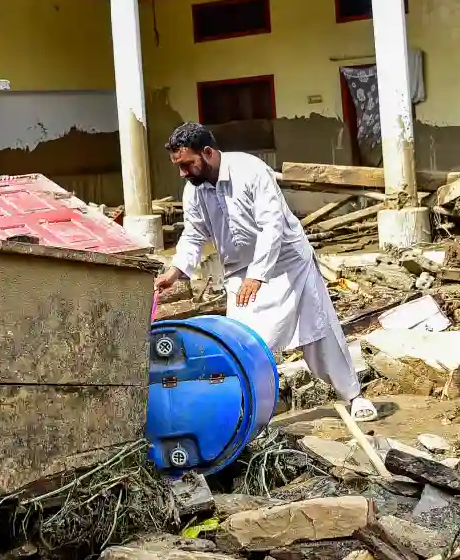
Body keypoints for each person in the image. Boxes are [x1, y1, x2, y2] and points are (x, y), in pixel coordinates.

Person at [152, 122, 379, 422]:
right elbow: (194, 234)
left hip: (287, 265)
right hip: (239, 273)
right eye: (178, 166)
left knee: (318, 332)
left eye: (187, 164)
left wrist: (258, 275)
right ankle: (247, 416)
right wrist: (176, 271)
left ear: (207, 153)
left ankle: (354, 396)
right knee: (240, 343)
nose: (183, 173)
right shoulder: (194, 191)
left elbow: (272, 227)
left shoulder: (251, 171)